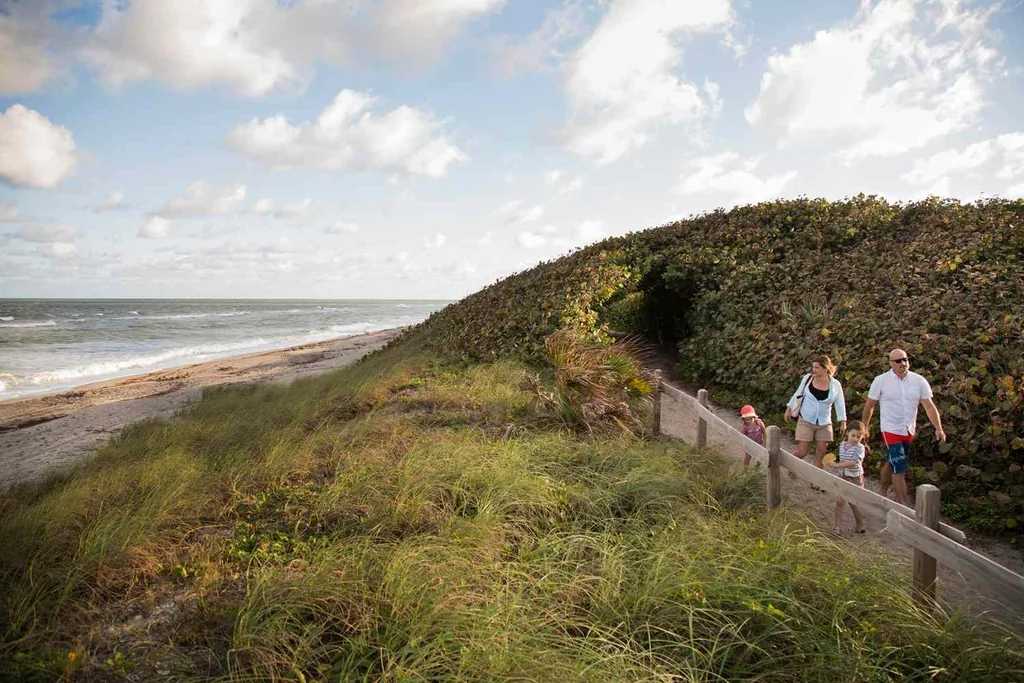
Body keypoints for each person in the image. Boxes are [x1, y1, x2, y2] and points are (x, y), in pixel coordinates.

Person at [862, 348, 946, 506]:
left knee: (892, 461)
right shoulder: (881, 381)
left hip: (908, 429)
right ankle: (903, 506)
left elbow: (929, 406)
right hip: (889, 428)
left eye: (905, 359)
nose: (903, 363)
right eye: (899, 361)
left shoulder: (919, 381)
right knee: (899, 467)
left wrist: (938, 428)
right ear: (890, 363)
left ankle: (882, 490)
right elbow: (869, 406)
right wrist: (865, 427)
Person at [785, 356, 847, 475]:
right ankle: (791, 466)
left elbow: (840, 402)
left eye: (817, 367)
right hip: (806, 419)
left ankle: (817, 481)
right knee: (802, 452)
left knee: (821, 453)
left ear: (826, 368)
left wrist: (843, 420)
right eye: (813, 367)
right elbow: (798, 393)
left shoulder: (835, 385)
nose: (814, 370)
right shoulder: (808, 379)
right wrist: (789, 407)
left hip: (824, 422)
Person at [827, 420, 868, 535]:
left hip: (855, 478)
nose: (855, 439)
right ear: (847, 433)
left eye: (858, 437)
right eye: (853, 435)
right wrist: (834, 463)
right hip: (843, 476)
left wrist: (837, 465)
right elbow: (843, 460)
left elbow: (855, 462)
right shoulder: (842, 445)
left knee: (853, 502)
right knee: (840, 501)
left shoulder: (860, 448)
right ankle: (837, 527)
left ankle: (860, 524)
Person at [739, 404, 766, 469]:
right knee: (748, 456)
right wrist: (745, 445)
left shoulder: (759, 423)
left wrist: (765, 443)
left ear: (754, 417)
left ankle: (756, 468)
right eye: (746, 419)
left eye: (750, 419)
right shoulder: (745, 427)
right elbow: (742, 437)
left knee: (760, 456)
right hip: (749, 444)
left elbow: (764, 433)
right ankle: (745, 469)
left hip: (759, 442)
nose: (748, 421)